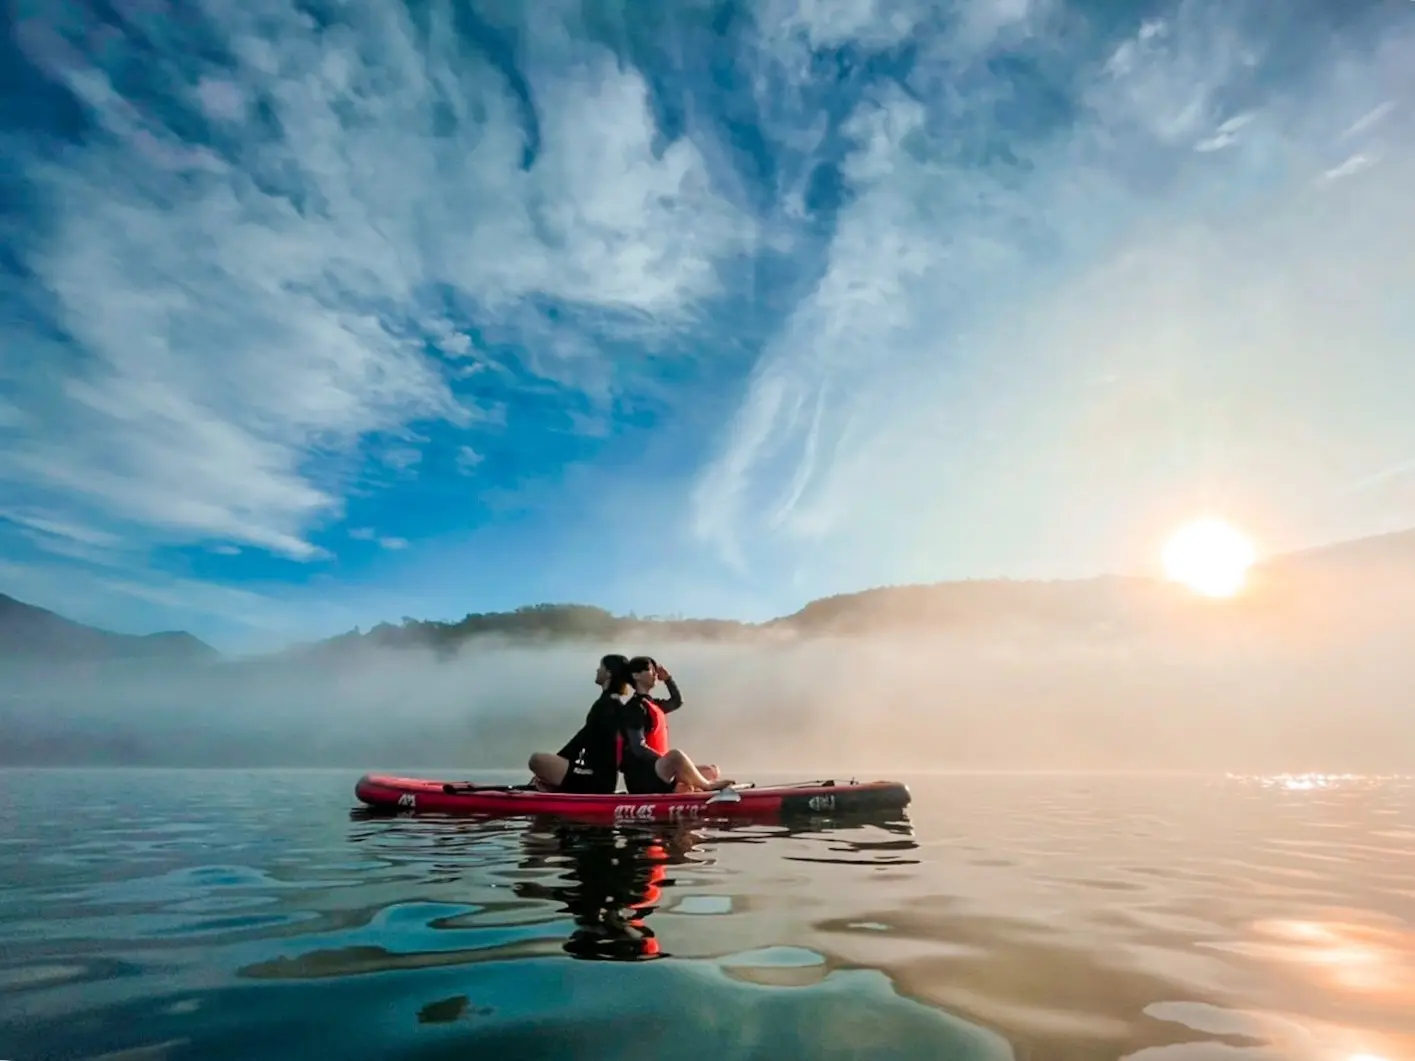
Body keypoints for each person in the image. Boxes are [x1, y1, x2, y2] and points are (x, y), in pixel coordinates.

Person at [619, 656, 732, 795]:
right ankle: (706, 787)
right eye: (650, 670)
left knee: (711, 771)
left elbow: (677, 701)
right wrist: (666, 762)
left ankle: (689, 788)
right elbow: (637, 746)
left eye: (656, 670)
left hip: (660, 772)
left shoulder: (654, 704)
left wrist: (668, 680)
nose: (655, 674)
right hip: (643, 776)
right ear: (636, 675)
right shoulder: (634, 708)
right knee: (675, 756)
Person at [527, 654, 631, 793]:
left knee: (536, 760)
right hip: (600, 777)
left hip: (595, 779)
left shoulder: (606, 706)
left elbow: (580, 740)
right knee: (546, 765)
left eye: (601, 666)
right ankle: (552, 787)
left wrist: (547, 770)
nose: (597, 670)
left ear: (609, 673)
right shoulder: (613, 704)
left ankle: (555, 788)